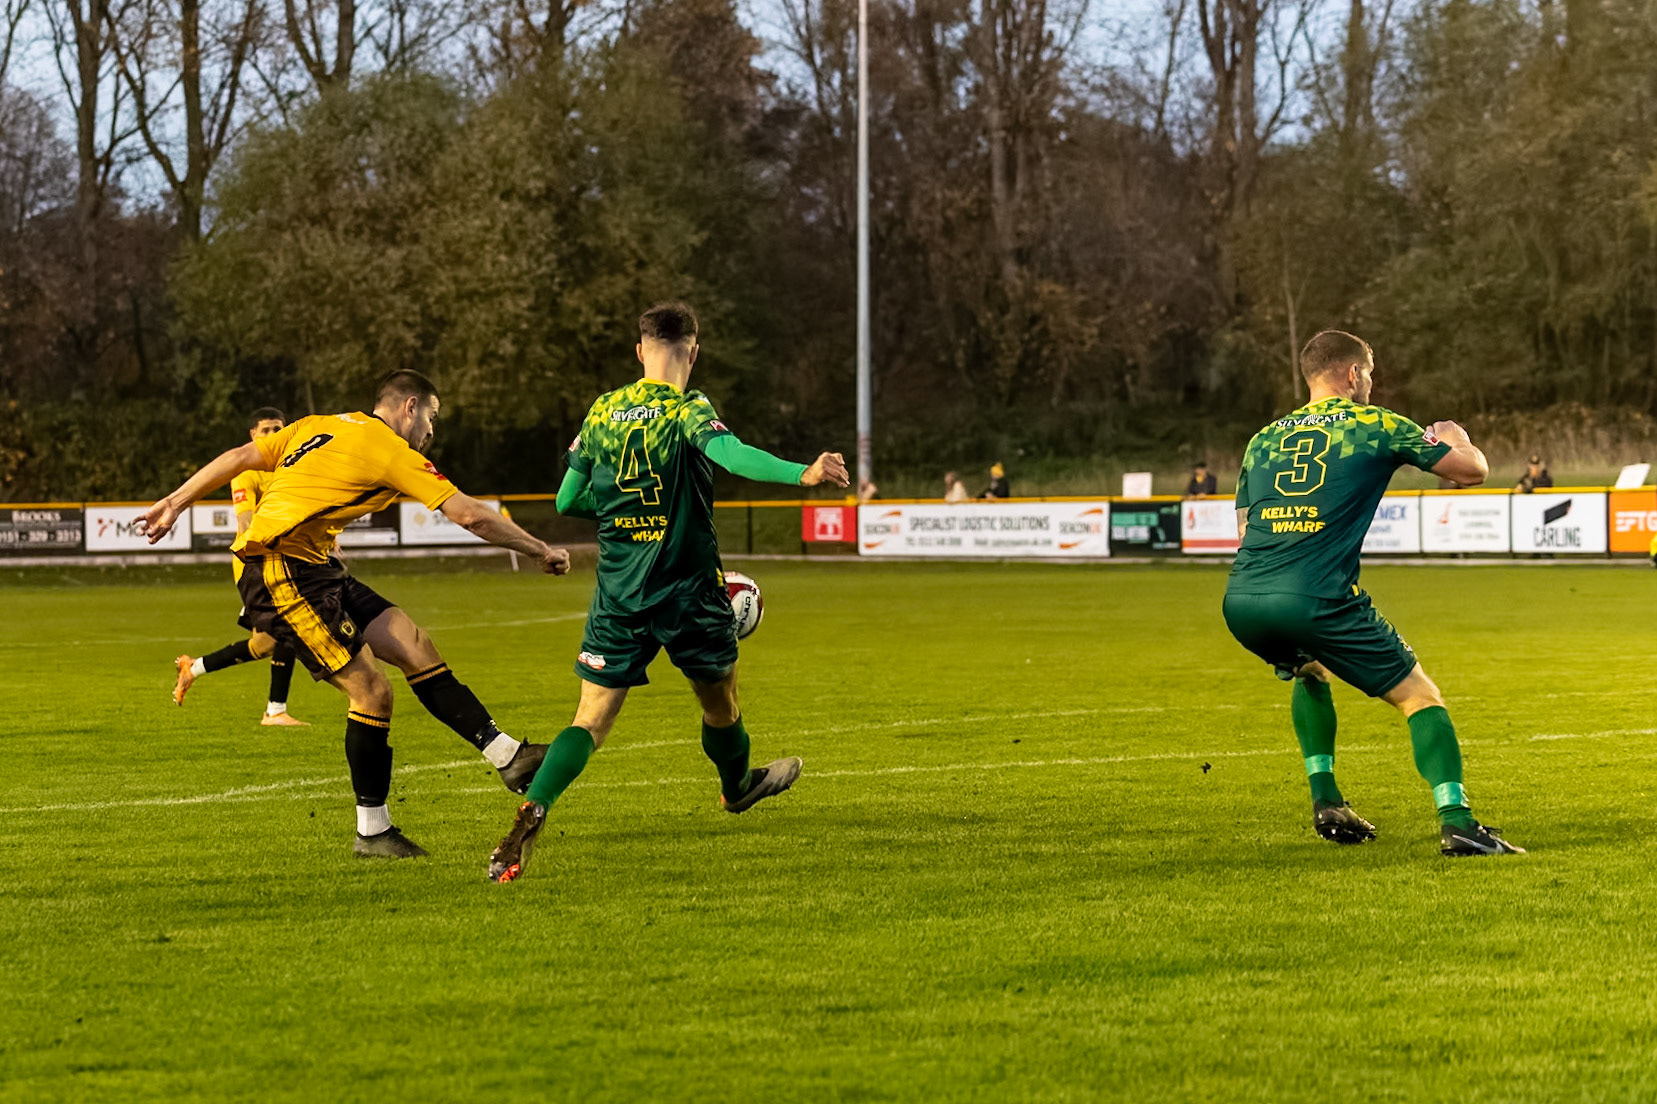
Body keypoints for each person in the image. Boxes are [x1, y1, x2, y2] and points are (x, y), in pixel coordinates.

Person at [141, 370, 572, 859]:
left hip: (319, 566)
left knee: (413, 644)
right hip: (279, 570)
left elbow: (241, 457)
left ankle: (508, 756)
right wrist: (539, 550)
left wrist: (175, 502)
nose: (431, 430)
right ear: (409, 407)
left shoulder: (320, 425)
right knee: (371, 691)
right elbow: (468, 514)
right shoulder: (389, 448)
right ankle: (372, 832)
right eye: (431, 416)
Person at [487, 302, 849, 883]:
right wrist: (801, 473)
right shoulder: (688, 408)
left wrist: (620, 507)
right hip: (687, 591)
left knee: (589, 720)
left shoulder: (602, 412)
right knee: (721, 704)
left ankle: (536, 808)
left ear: (639, 351)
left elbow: (566, 502)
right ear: (695, 350)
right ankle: (736, 789)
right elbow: (731, 454)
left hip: (620, 592)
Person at [1221, 329, 1522, 857]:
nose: (1371, 384)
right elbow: (1470, 472)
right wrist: (1457, 436)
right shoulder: (1374, 422)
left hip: (1243, 598)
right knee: (1418, 696)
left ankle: (1328, 802)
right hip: (1315, 596)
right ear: (1353, 374)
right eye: (1370, 374)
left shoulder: (1262, 439)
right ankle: (1459, 823)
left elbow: (1244, 529)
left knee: (1310, 669)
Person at [171, 408, 308, 727]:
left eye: (279, 428)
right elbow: (245, 520)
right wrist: (259, 554)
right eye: (266, 430)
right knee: (289, 627)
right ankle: (275, 711)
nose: (273, 435)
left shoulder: (292, 469)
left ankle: (193, 668)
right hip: (255, 562)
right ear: (253, 436)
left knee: (264, 644)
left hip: (284, 559)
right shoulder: (247, 472)